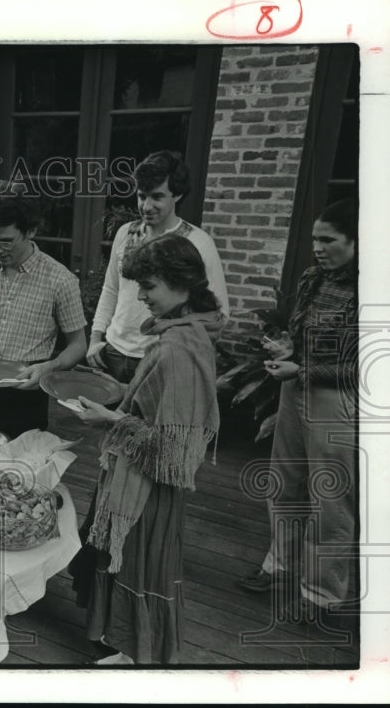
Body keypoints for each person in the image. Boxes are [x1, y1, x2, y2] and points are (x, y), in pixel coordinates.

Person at [68, 233, 225, 665]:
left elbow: (174, 452)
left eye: (149, 286)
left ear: (183, 282)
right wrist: (122, 391)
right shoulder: (191, 330)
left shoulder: (177, 348)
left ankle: (138, 658)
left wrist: (112, 419)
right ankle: (131, 650)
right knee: (138, 564)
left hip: (146, 491)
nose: (141, 296)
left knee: (137, 563)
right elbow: (161, 399)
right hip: (142, 481)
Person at [237, 198, 358, 620]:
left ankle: (321, 593)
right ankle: (280, 567)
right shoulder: (312, 277)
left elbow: (362, 365)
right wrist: (286, 347)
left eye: (329, 240)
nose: (318, 247)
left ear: (357, 241)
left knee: (329, 495)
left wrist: (300, 367)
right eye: (314, 239)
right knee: (284, 482)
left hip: (335, 400)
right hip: (295, 388)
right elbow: (301, 332)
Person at [0, 183, 88, 438]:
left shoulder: (60, 280)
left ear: (31, 231)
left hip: (27, 391)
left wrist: (52, 366)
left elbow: (78, 345)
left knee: (21, 470)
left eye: (6, 242)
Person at [88, 150, 229, 384]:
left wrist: (174, 350)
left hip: (159, 358)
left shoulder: (197, 242)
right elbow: (111, 289)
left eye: (157, 197)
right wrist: (95, 338)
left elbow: (218, 312)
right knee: (102, 419)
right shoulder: (126, 233)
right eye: (142, 196)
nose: (146, 206)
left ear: (178, 195)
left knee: (147, 422)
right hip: (112, 352)